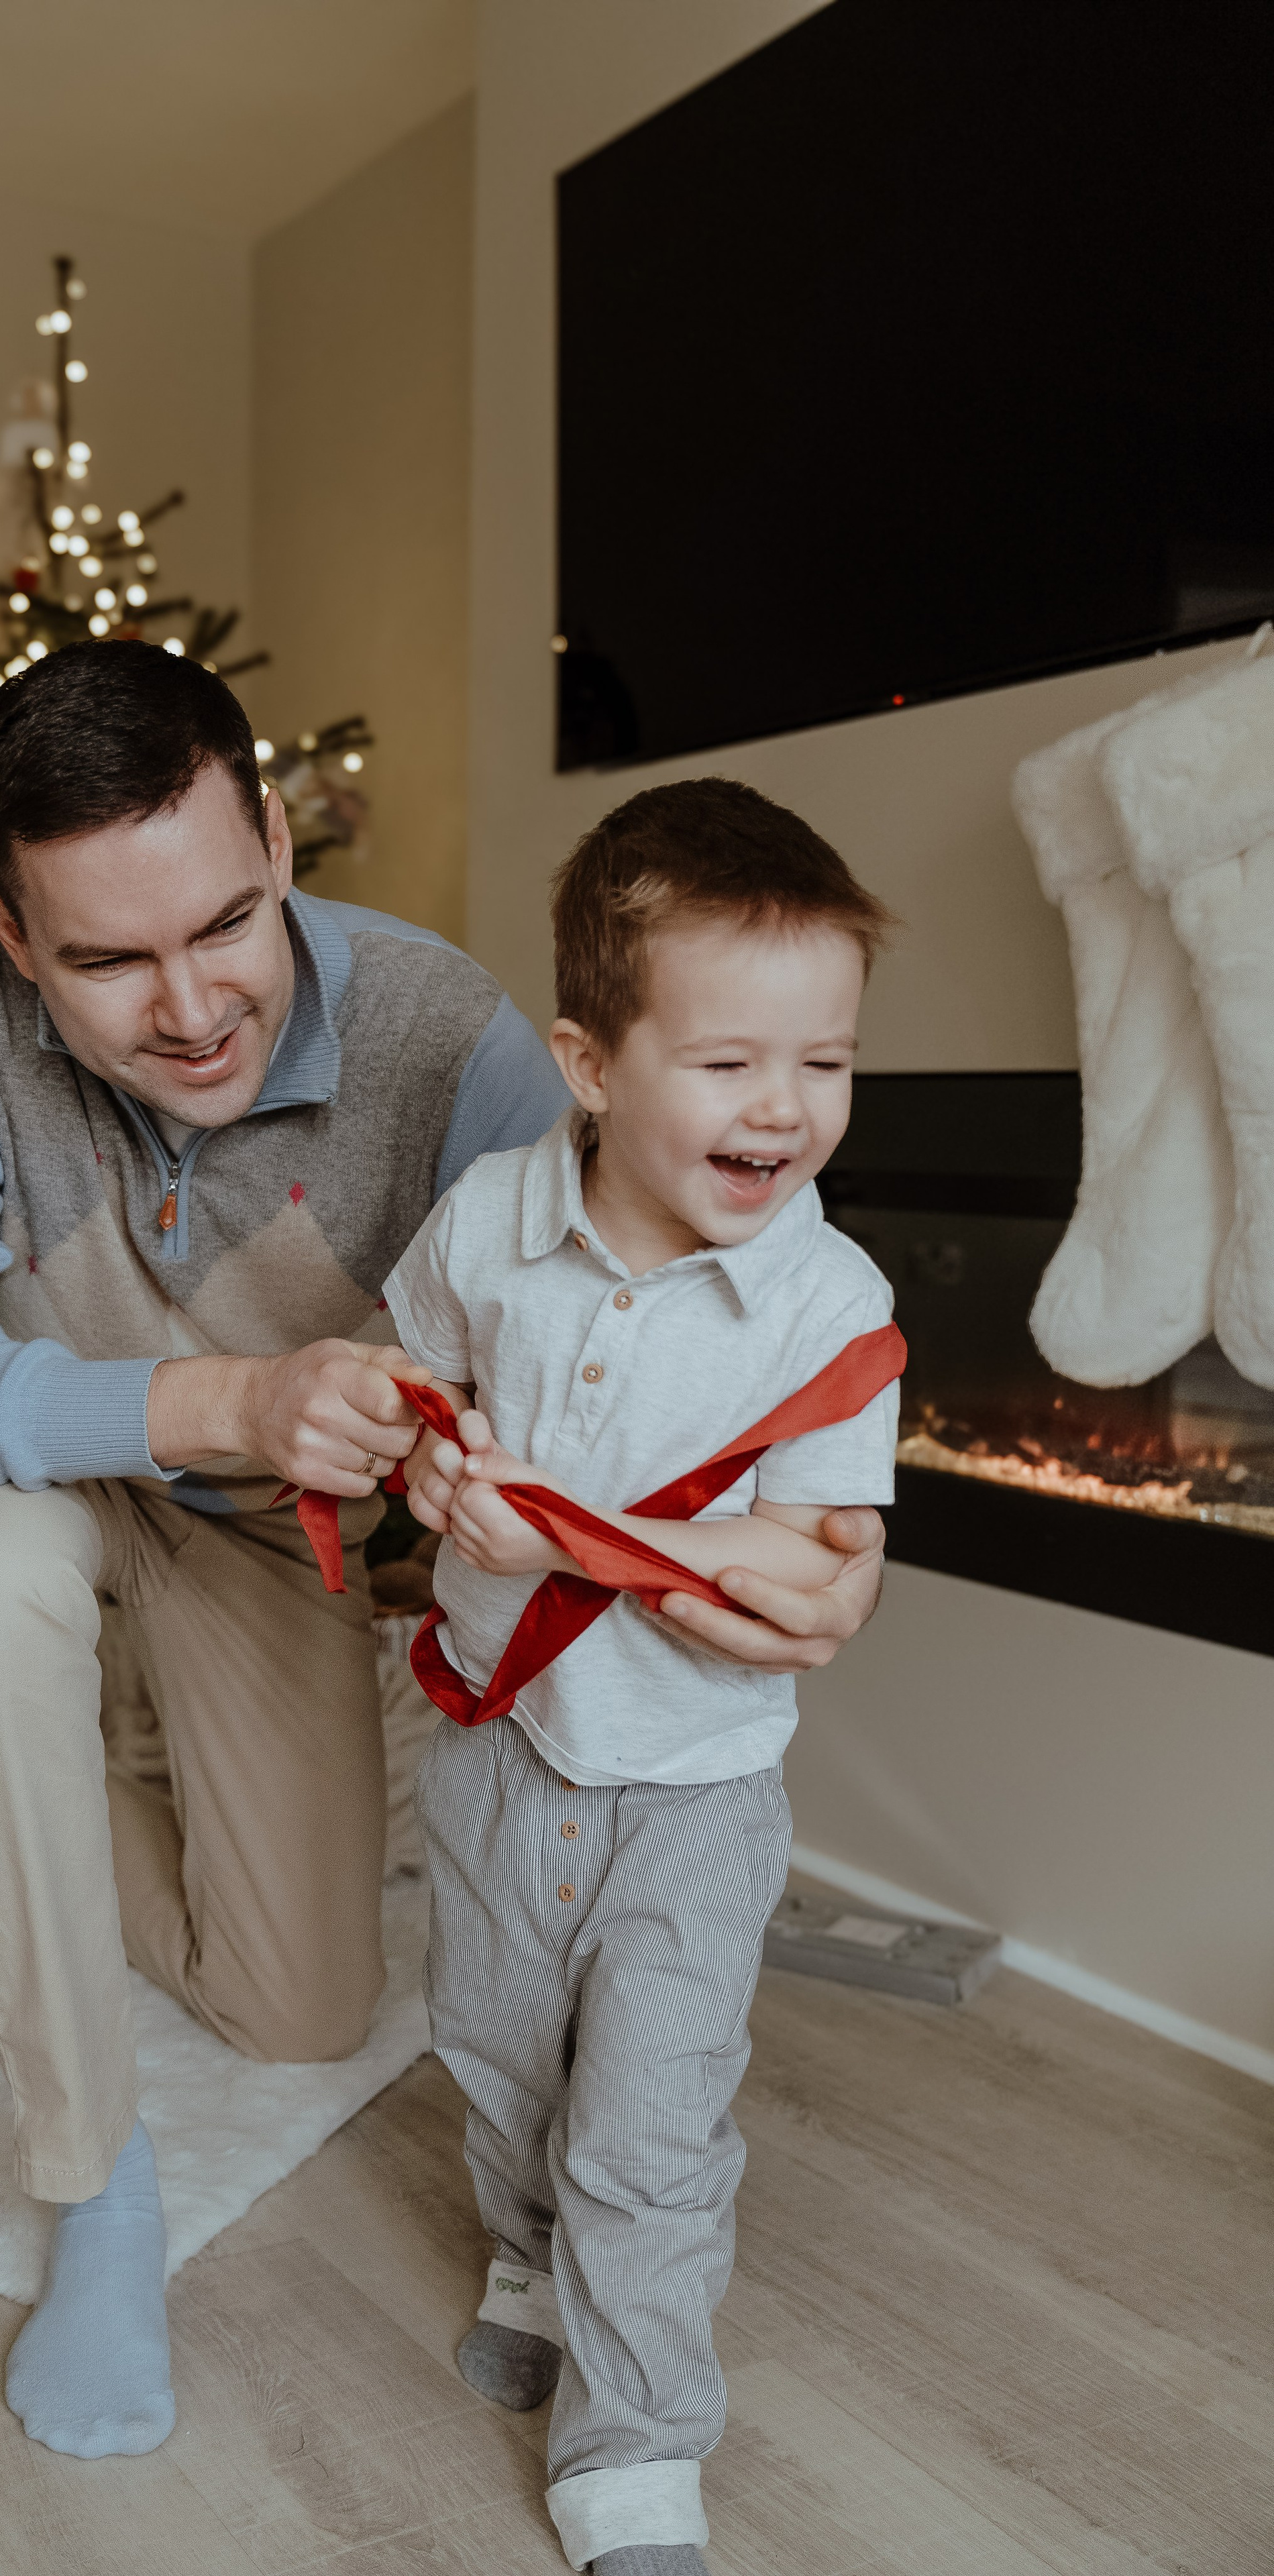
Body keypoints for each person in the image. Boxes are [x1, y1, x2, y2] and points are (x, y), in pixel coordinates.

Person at [0, 643, 889, 2462]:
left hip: (255, 1537)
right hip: (39, 1466)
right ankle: (92, 2184)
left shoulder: (446, 1037)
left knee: (305, 2006)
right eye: (105, 958)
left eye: (226, 922)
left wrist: (824, 1525)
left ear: (285, 836)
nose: (190, 1007)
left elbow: (712, 1228)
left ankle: (67, 1773)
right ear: (10, 931)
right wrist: (229, 1403)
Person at [389, 777, 901, 2576]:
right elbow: (414, 1398)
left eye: (825, 1063)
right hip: (489, 1738)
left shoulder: (831, 1310)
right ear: (591, 1064)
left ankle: (637, 2449)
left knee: (654, 2129)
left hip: (694, 1789)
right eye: (733, 1062)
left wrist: (575, 1535)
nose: (786, 1109)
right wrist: (438, 1467)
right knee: (501, 2052)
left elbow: (815, 1568)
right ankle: (525, 2247)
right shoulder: (484, 1229)